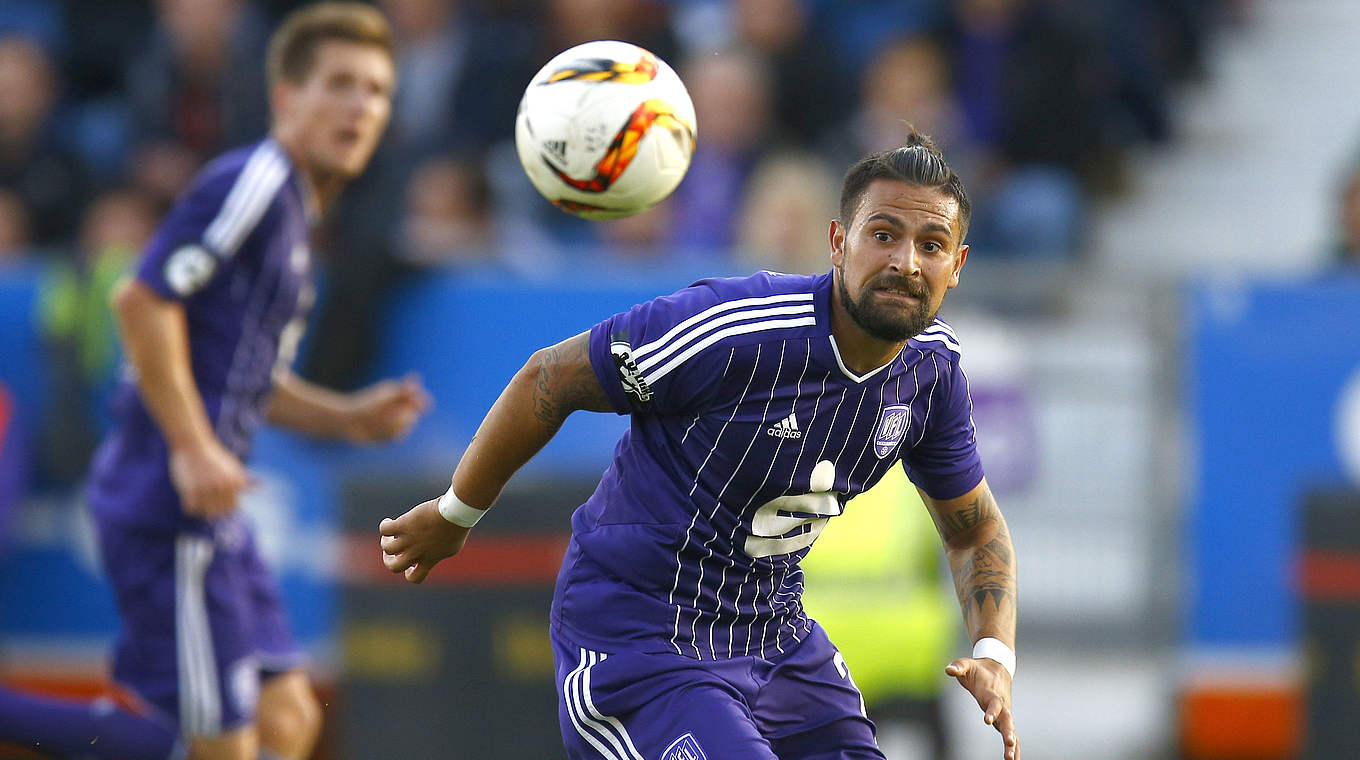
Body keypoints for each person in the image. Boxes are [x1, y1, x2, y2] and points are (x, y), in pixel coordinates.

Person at [381, 130, 1020, 760]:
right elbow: (547, 378)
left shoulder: (932, 375)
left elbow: (974, 530)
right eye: (884, 235)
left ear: (957, 266)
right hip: (642, 638)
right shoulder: (733, 329)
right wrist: (455, 513)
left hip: (776, 643)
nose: (906, 262)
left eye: (931, 245)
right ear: (837, 241)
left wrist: (994, 654)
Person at [0, 5, 429, 760]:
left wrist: (349, 418)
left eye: (376, 91)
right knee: (215, 747)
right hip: (168, 507)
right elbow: (142, 299)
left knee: (289, 717)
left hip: (209, 516)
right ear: (287, 97)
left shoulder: (295, 214)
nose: (360, 106)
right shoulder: (254, 183)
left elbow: (250, 379)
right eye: (340, 85)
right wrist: (194, 448)